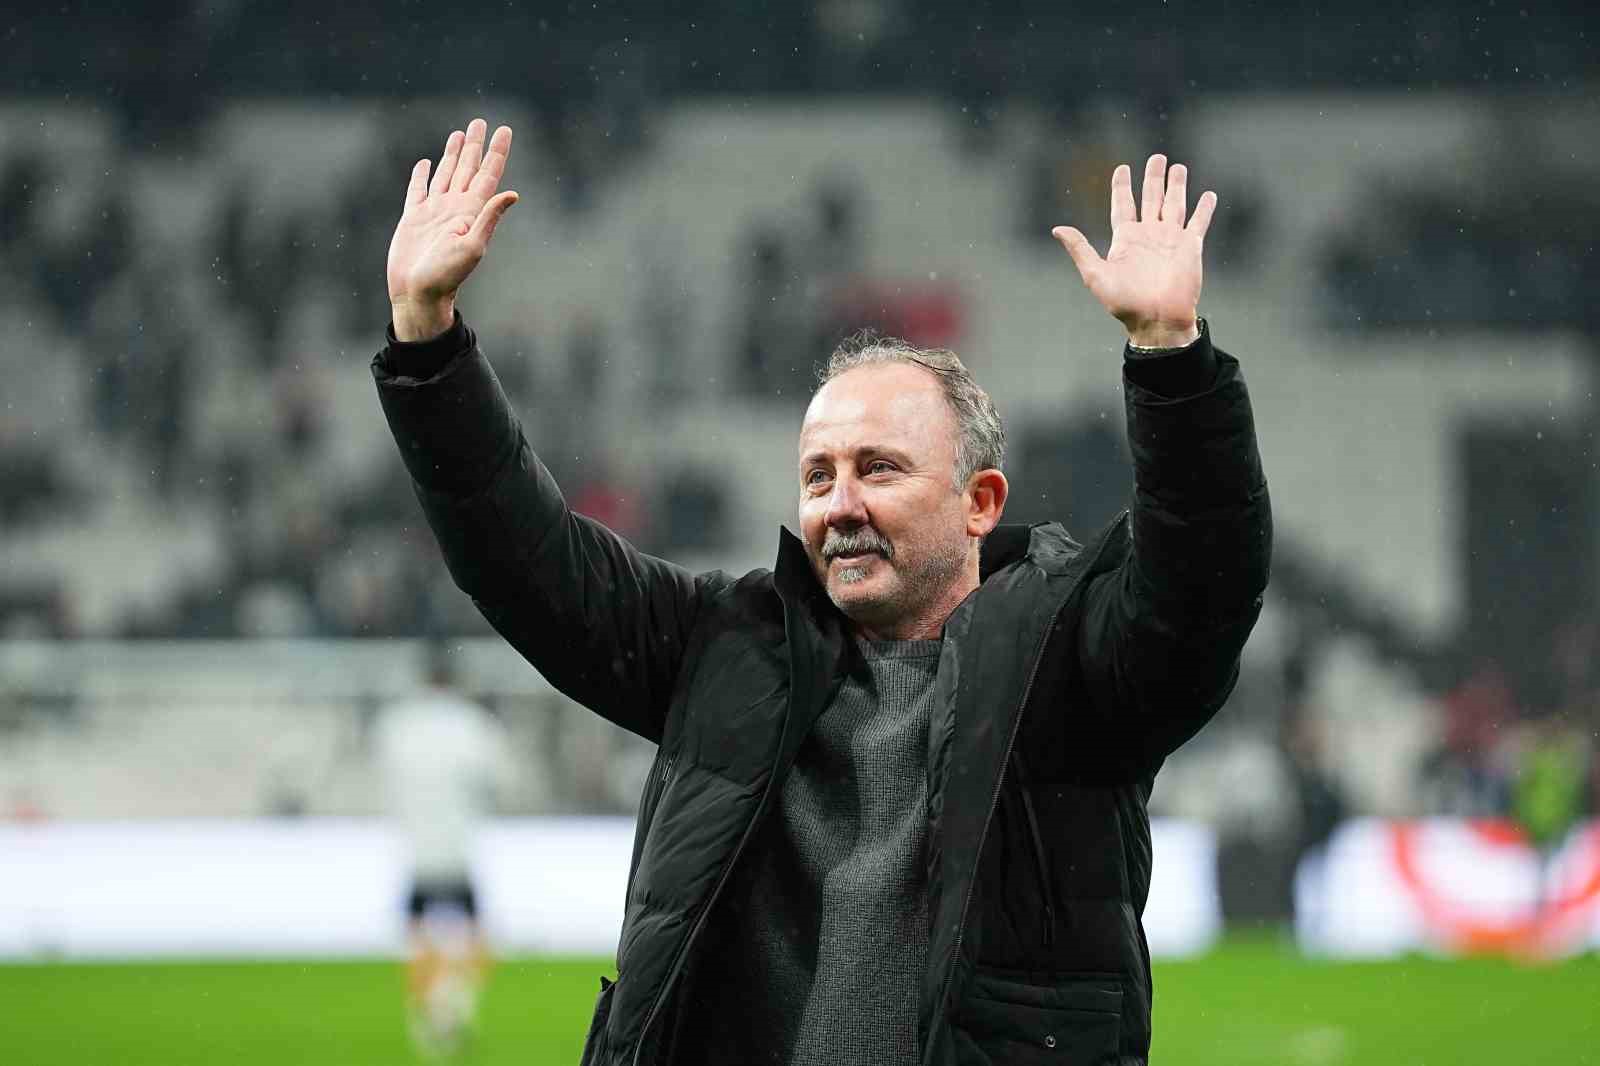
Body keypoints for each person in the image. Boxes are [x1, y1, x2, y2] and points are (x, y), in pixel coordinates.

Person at [373, 118, 1270, 1066]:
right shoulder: (726, 649)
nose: (839, 505)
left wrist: (1171, 357)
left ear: (979, 502)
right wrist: (427, 341)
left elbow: (1201, 587)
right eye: (817, 476)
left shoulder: (1069, 660)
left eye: (878, 468)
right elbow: (524, 558)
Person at [374, 639, 509, 1057]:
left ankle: (426, 1009)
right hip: (457, 847)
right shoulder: (474, 725)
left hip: (418, 849)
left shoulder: (397, 725)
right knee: (477, 932)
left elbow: (384, 778)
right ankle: (455, 1000)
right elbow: (499, 780)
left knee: (416, 934)